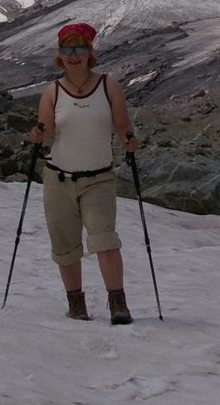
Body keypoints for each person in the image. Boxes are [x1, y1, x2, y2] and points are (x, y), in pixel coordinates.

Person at [28, 22, 140, 324]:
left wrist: (128, 137)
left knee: (105, 240)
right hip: (58, 179)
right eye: (67, 49)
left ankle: (118, 304)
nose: (73, 55)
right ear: (60, 54)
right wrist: (39, 136)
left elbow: (121, 123)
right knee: (65, 245)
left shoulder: (108, 85)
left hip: (99, 179)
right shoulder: (52, 92)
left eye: (79, 48)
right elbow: (47, 130)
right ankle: (76, 305)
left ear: (90, 51)